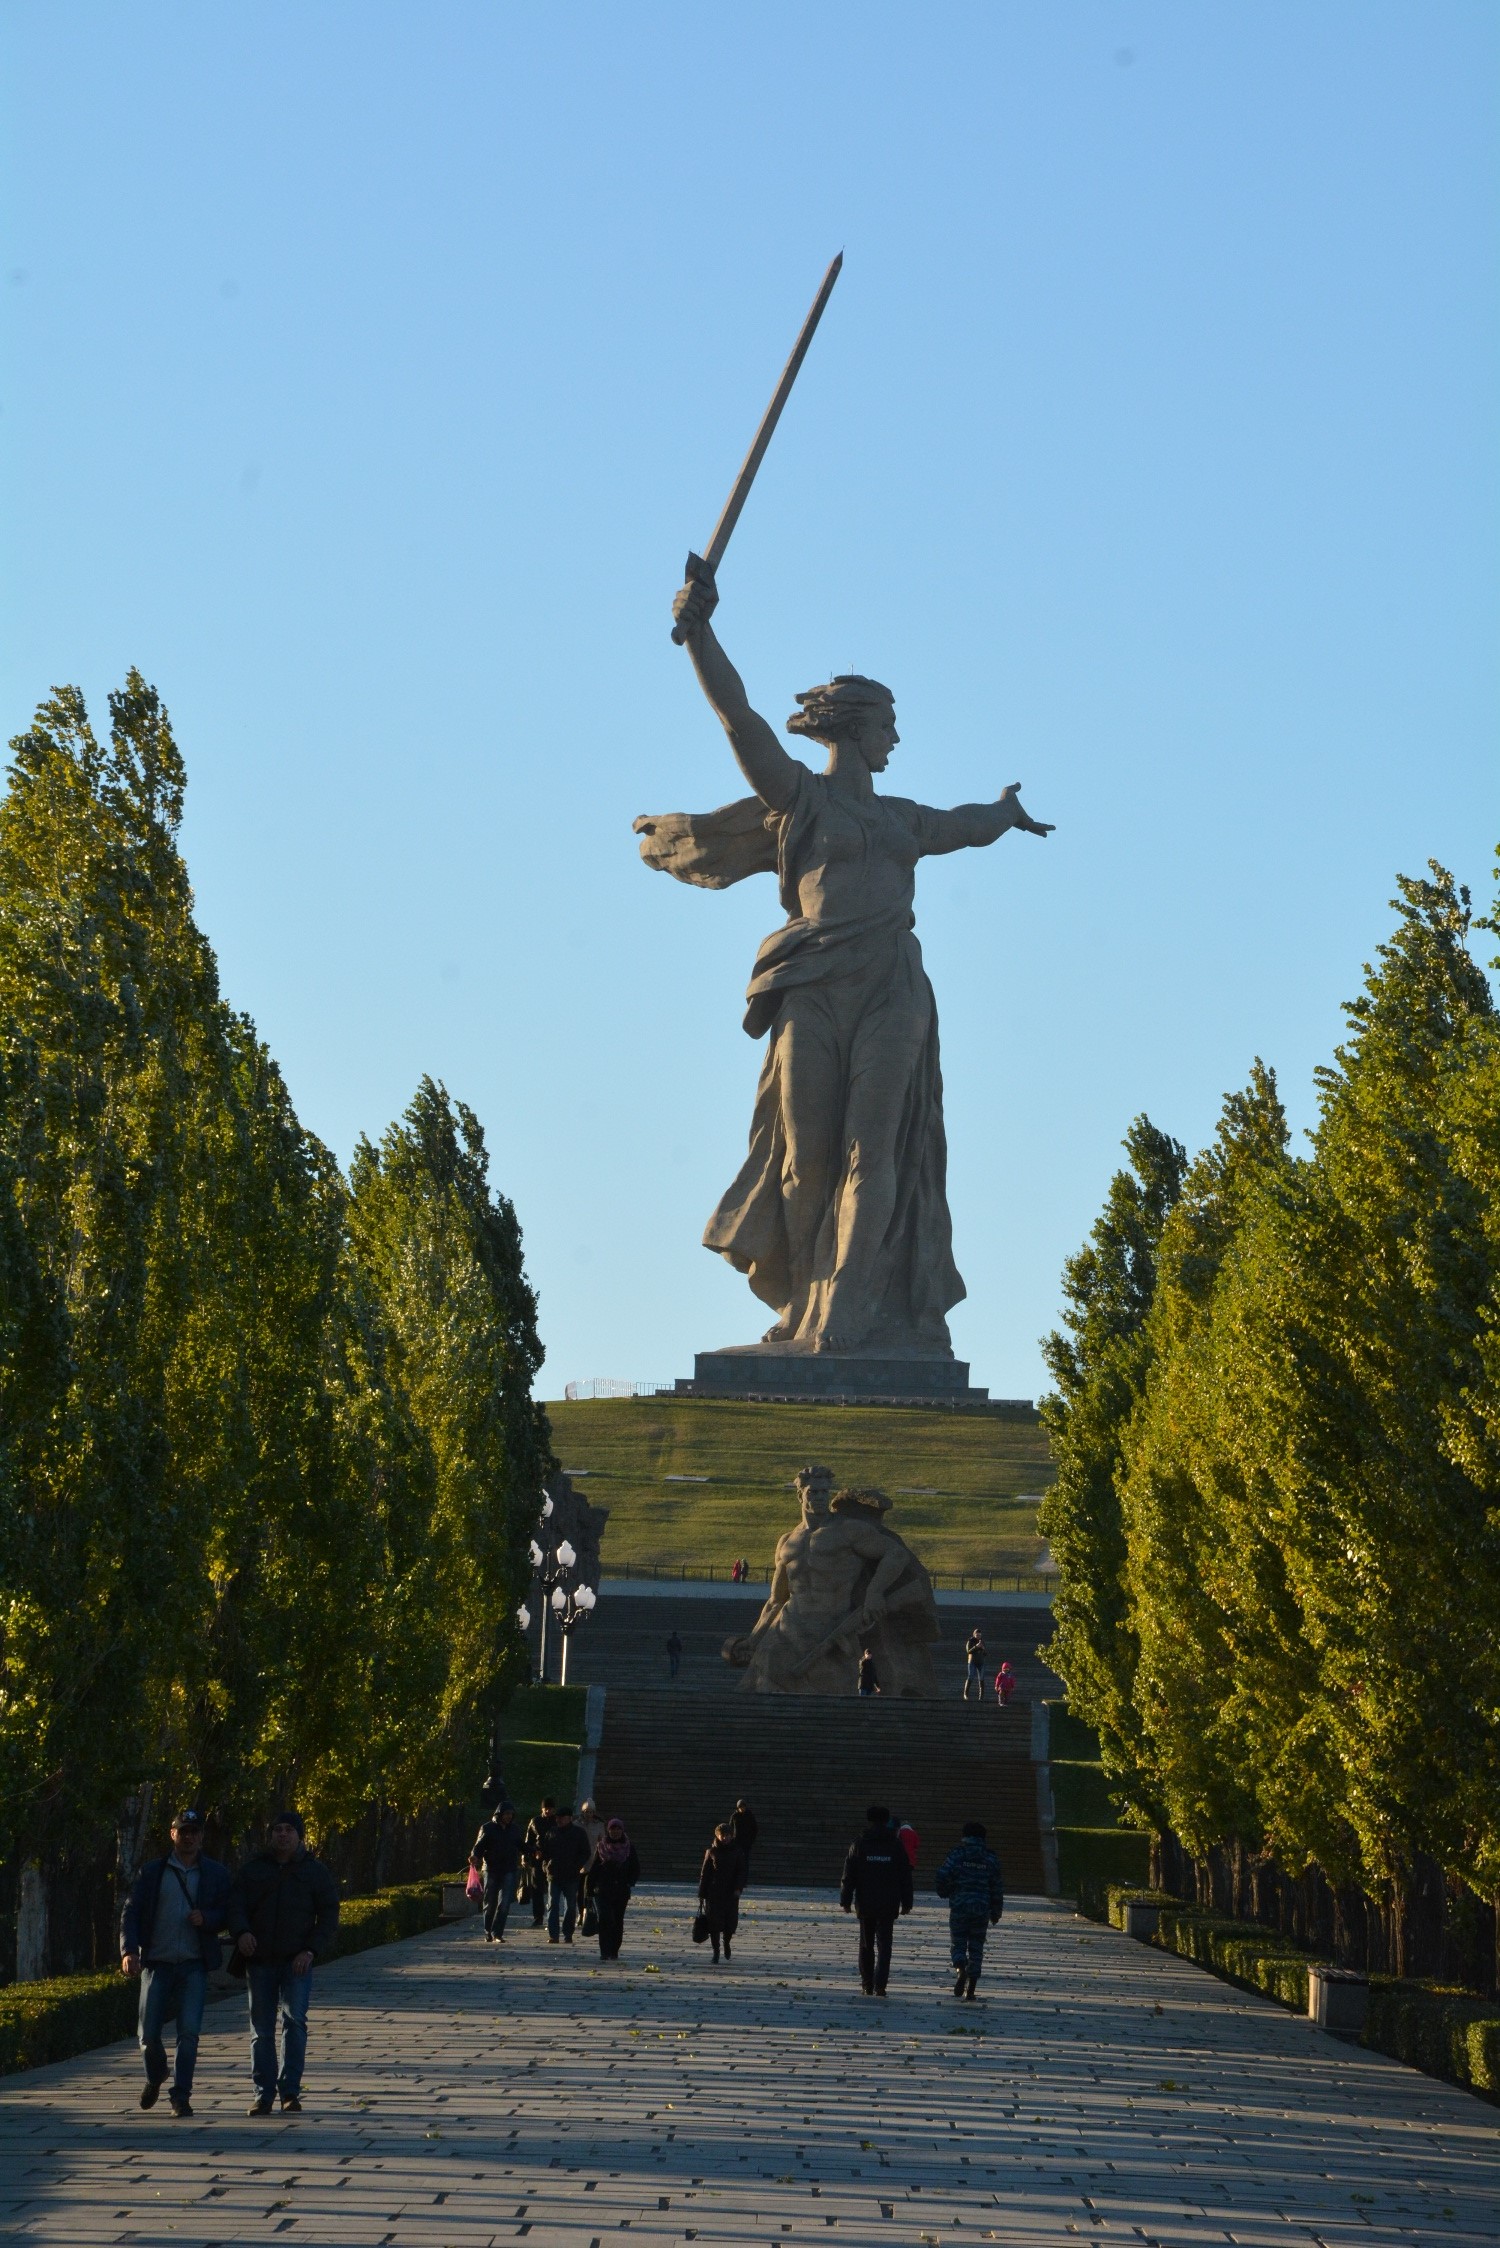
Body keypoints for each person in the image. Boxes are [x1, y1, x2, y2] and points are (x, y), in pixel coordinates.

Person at [653, 574, 1052, 1357]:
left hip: (890, 989)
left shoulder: (902, 819)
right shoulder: (800, 798)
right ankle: (806, 1302)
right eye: (889, 725)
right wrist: (700, 634)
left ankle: (848, 1311)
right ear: (856, 726)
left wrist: (1004, 812)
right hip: (812, 986)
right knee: (806, 1162)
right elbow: (740, 719)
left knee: (875, 1149)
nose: (896, 740)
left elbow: (963, 826)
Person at [119, 1809, 232, 2117]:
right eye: (183, 1831)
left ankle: (180, 2096)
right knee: (148, 2034)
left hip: (194, 1965)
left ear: (201, 1837)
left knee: (189, 2032)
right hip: (157, 1963)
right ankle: (156, 2075)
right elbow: (131, 1911)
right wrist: (129, 1950)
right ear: (172, 1835)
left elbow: (228, 1913)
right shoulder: (153, 1872)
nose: (189, 1836)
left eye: (194, 1832)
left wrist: (208, 1918)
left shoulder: (216, 1873)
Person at [227, 1810, 340, 2115]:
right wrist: (241, 1933)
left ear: (299, 1835)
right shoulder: (253, 1869)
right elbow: (235, 1905)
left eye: (289, 1830)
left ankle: (289, 2091)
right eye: (277, 1829)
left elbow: (329, 1914)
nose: (283, 1835)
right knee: (260, 2029)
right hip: (260, 1960)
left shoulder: (315, 1872)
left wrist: (311, 1950)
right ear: (271, 1835)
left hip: (296, 1962)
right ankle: (263, 2093)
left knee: (294, 2022)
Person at [839, 1803, 913, 1997]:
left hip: (866, 1902)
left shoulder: (860, 1843)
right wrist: (907, 1903)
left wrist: (845, 1900)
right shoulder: (896, 1845)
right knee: (885, 1944)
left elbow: (849, 1874)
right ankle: (880, 1985)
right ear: (887, 1821)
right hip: (888, 1902)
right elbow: (905, 1875)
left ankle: (867, 1984)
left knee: (866, 1944)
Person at [934, 1819, 1005, 1999]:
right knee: (976, 1947)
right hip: (981, 1908)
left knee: (958, 1943)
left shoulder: (957, 1855)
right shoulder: (990, 1858)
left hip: (959, 1905)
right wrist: (996, 1911)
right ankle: (971, 1988)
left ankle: (960, 1969)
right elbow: (996, 1887)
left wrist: (946, 1892)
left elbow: (942, 1875)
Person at [584, 1817, 640, 1960]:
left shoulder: (629, 1847)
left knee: (617, 1920)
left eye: (618, 1829)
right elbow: (594, 1869)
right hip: (603, 1890)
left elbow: (635, 1868)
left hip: (621, 1891)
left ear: (622, 1830)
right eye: (612, 1829)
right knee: (604, 1918)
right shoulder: (601, 1847)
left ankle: (614, 1949)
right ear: (608, 1831)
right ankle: (604, 1950)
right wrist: (588, 1890)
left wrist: (629, 1882)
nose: (615, 1832)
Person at [470, 1804, 523, 1943]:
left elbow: (520, 1845)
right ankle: (488, 1930)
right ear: (499, 1814)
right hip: (491, 1868)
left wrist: (533, 1851)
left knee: (504, 1903)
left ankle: (498, 1933)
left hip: (509, 1869)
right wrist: (475, 1855)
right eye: (506, 1814)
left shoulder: (515, 1829)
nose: (509, 1817)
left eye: (511, 1814)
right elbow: (479, 1846)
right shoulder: (488, 1828)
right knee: (490, 1901)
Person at [541, 1804, 591, 1944]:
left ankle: (568, 1933)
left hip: (571, 1875)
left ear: (569, 1818)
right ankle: (553, 1934)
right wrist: (546, 1866)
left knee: (570, 1906)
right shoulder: (552, 1831)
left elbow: (585, 1852)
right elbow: (545, 1851)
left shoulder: (579, 1833)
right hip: (554, 1874)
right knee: (553, 1904)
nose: (559, 1820)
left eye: (562, 1818)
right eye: (557, 1817)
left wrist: (576, 1866)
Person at [698, 1822, 746, 1963]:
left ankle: (727, 1942)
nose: (724, 1838)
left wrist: (738, 1888)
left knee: (730, 1923)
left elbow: (742, 1872)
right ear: (717, 1836)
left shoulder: (737, 1851)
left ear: (732, 1836)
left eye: (727, 1835)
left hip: (731, 1893)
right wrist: (701, 1893)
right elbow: (704, 1874)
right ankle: (716, 1951)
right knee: (714, 1923)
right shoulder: (712, 1852)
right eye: (722, 1835)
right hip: (714, 1893)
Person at [523, 1798, 557, 1927]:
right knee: (537, 1889)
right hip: (538, 1859)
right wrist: (527, 1856)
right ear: (542, 1809)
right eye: (546, 1808)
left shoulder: (557, 1821)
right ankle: (538, 1917)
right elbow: (528, 1841)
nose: (548, 1811)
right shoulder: (535, 1821)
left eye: (550, 1809)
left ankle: (551, 1916)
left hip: (553, 1859)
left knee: (552, 1889)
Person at [729, 1798, 758, 1881]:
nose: (742, 1809)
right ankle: (735, 1879)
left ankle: (744, 1880)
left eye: (743, 1807)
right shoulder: (734, 1816)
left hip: (746, 1843)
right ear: (738, 1808)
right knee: (736, 1861)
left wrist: (751, 1840)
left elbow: (755, 1829)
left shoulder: (750, 1815)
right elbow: (730, 1828)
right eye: (740, 1807)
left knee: (745, 1862)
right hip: (736, 1842)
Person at [963, 1626, 986, 1701]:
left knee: (981, 1678)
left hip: (980, 1662)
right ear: (974, 1635)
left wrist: (983, 1649)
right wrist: (976, 1646)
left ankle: (981, 1697)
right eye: (977, 1635)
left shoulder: (982, 1642)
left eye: (979, 1635)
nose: (978, 1636)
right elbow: (968, 1651)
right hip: (972, 1662)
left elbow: (985, 1654)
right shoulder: (970, 1641)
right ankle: (965, 1694)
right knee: (970, 1676)